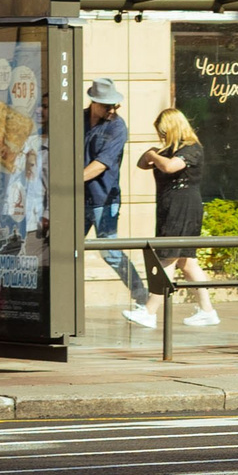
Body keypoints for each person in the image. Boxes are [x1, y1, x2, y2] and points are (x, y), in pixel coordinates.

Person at [81, 78, 156, 329]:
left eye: (116, 105)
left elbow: (102, 164)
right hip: (76, 198)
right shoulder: (75, 119)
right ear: (94, 102)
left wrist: (66, 180)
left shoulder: (117, 127)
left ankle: (140, 296)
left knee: (110, 252)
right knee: (64, 250)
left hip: (104, 197)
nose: (112, 110)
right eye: (107, 106)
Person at [137, 107, 220, 327]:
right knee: (187, 262)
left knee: (168, 257)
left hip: (183, 207)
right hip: (170, 206)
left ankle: (149, 311)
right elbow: (142, 163)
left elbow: (170, 167)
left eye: (163, 132)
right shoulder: (168, 150)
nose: (161, 137)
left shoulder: (191, 149)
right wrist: (156, 152)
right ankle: (207, 310)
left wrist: (153, 153)